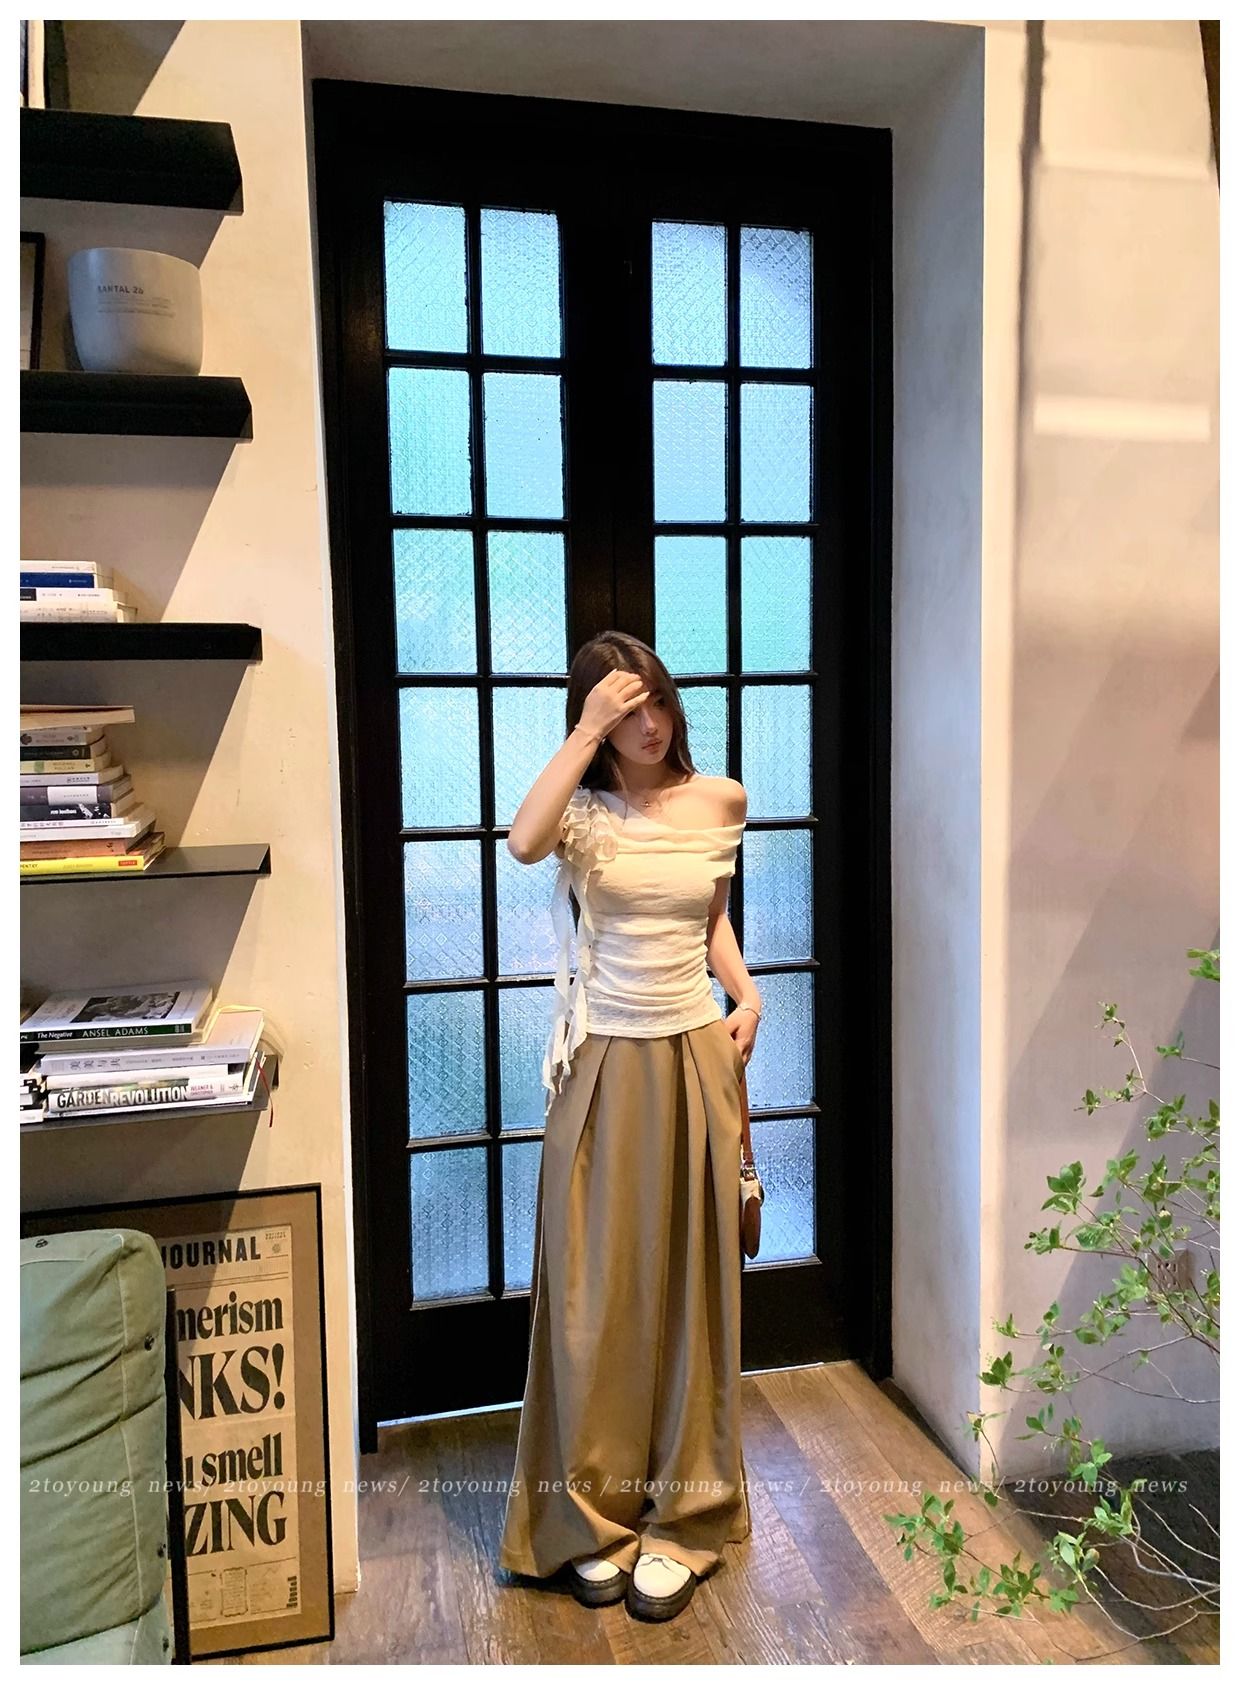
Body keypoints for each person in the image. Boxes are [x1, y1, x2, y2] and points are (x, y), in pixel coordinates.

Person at [497, 630, 764, 1623]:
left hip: (693, 1054)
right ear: (597, 718)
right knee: (592, 1295)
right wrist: (584, 734)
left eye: (655, 700)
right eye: (625, 708)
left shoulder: (721, 799)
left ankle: (686, 1513)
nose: (648, 723)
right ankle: (587, 1514)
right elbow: (522, 842)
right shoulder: (577, 809)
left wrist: (749, 995)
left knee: (693, 1289)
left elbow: (710, 921)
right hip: (601, 1058)